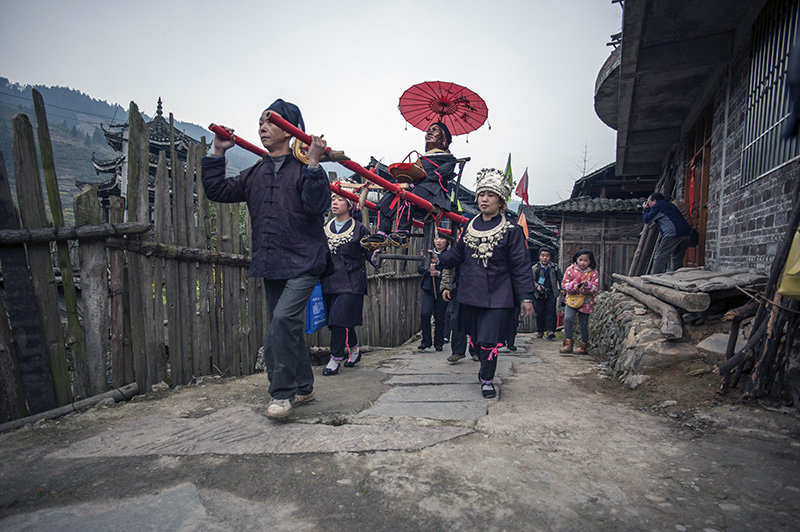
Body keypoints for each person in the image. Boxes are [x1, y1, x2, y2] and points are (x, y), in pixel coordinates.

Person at [202, 99, 329, 420]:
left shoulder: (306, 169)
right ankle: (304, 386)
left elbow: (317, 208)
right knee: (285, 325)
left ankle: (282, 394)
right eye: (260, 122)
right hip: (271, 262)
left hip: (305, 260)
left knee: (282, 323)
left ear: (290, 131)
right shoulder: (255, 172)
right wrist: (218, 151)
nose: (262, 127)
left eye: (271, 122)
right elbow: (216, 190)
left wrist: (314, 164)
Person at [433, 168, 535, 398]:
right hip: (470, 294)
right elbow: (458, 254)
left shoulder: (512, 231)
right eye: (481, 194)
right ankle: (483, 367)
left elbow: (521, 266)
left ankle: (487, 379)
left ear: (501, 201)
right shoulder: (468, 226)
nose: (484, 199)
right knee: (477, 341)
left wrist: (526, 297)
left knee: (489, 340)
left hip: (499, 295)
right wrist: (439, 260)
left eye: (490, 195)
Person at [363, 122, 458, 248]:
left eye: (434, 130)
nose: (429, 132)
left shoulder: (449, 159)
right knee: (390, 195)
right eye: (428, 130)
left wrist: (420, 178)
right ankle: (382, 233)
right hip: (416, 187)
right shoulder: (422, 158)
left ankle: (403, 233)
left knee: (411, 195)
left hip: (432, 191)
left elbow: (440, 174)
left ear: (444, 139)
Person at [320, 193, 378, 376]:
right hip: (329, 281)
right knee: (339, 321)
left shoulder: (360, 229)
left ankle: (335, 358)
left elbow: (370, 254)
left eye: (340, 199)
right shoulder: (325, 229)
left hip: (351, 283)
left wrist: (376, 255)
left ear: (350, 204)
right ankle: (354, 350)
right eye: (333, 199)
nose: (335, 202)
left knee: (338, 320)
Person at [559, 249, 599, 355]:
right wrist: (573, 285)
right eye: (580, 259)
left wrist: (588, 285)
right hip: (571, 300)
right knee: (568, 319)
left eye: (585, 260)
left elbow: (595, 289)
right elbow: (564, 285)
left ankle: (583, 346)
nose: (582, 262)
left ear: (590, 261)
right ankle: (568, 344)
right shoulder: (570, 270)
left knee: (583, 324)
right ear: (576, 259)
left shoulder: (593, 273)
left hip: (586, 301)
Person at [642, 192, 693, 274]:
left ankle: (655, 277)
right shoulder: (670, 205)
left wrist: (646, 209)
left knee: (660, 256)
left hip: (673, 233)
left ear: (655, 201)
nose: (648, 204)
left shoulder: (658, 206)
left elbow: (647, 219)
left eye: (649, 202)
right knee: (677, 258)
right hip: (686, 233)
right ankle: (677, 277)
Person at [417, 235, 450, 351]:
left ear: (447, 241)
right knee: (425, 314)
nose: (439, 241)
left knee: (440, 317)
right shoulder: (427, 253)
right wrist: (428, 270)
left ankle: (438, 342)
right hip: (428, 287)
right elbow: (420, 269)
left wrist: (438, 273)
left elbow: (451, 270)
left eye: (442, 239)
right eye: (436, 239)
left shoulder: (449, 255)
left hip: (442, 289)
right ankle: (426, 341)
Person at [532, 247, 562, 340]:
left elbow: (561, 279)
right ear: (539, 257)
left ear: (550, 257)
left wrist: (562, 289)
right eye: (543, 256)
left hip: (551, 292)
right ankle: (540, 331)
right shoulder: (535, 268)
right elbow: (530, 280)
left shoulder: (554, 267)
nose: (545, 258)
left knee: (551, 312)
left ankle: (550, 331)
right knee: (539, 313)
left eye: (547, 256)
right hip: (539, 294)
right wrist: (537, 286)